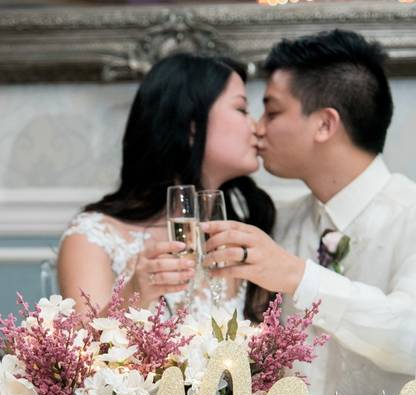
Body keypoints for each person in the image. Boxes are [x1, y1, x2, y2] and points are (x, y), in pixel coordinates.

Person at [202, 30, 416, 395]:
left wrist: (300, 277)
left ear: (325, 125)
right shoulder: (282, 222)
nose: (258, 127)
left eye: (272, 110)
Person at [57, 53, 276, 321]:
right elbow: (76, 359)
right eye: (242, 110)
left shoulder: (247, 232)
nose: (255, 127)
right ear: (192, 125)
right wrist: (134, 294)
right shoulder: (92, 237)